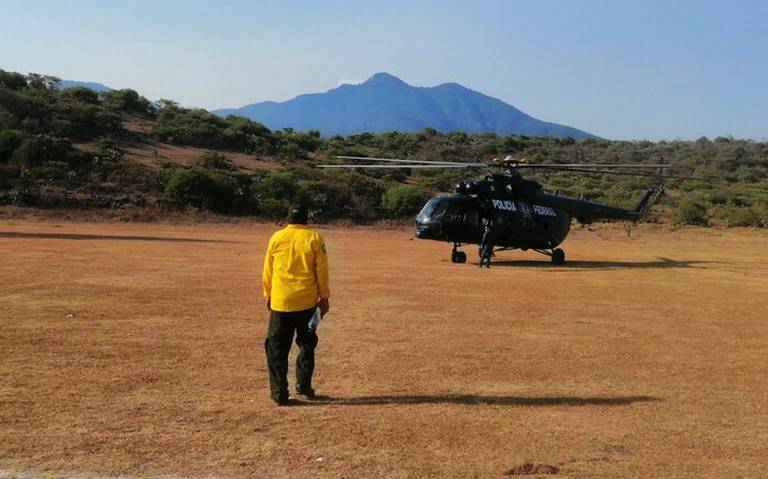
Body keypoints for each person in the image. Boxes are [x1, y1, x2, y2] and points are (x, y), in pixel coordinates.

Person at [262, 205, 330, 405]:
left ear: (288, 219)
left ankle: (279, 393)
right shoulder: (314, 238)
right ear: (307, 219)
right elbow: (322, 270)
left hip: (281, 302)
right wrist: (324, 297)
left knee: (276, 348)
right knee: (307, 344)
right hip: (308, 304)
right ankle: (304, 386)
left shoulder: (276, 237)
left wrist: (268, 294)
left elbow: (268, 269)